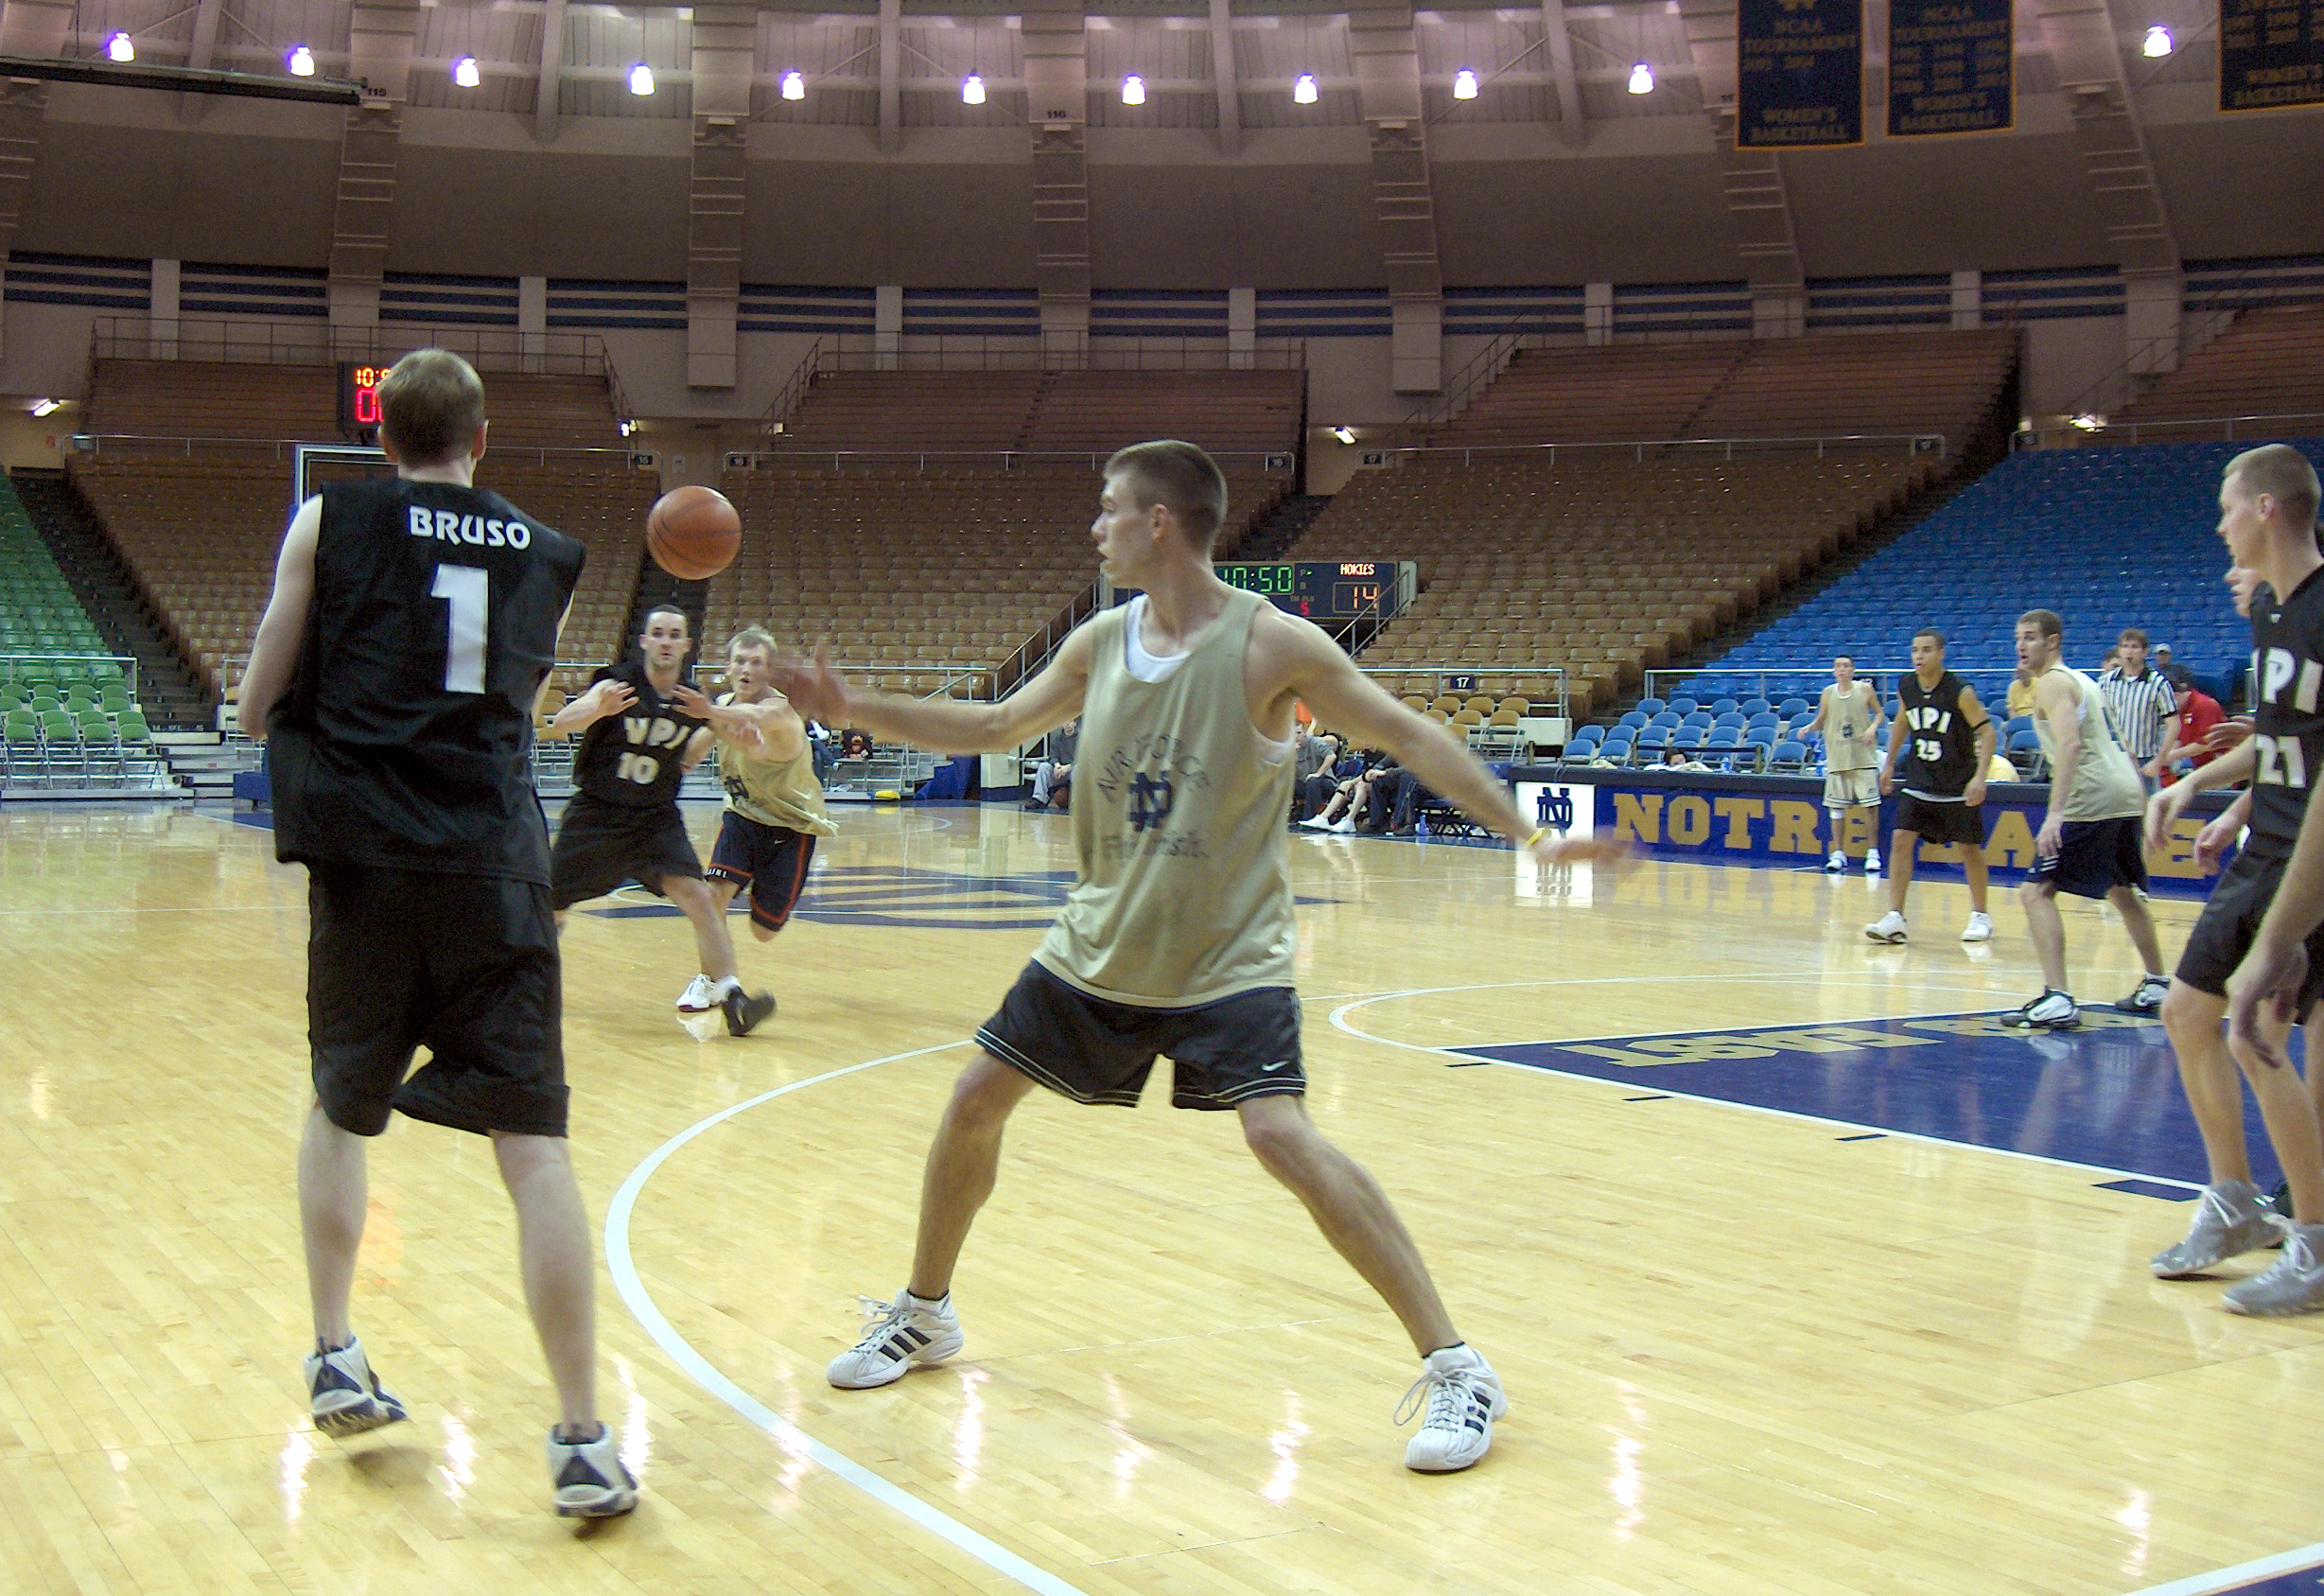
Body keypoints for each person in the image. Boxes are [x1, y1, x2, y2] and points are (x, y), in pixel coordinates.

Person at [776, 440, 1630, 1473]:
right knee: (974, 1100)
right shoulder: (1101, 640)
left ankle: (1459, 1366)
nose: (1095, 526)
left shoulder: (1274, 646)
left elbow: (1408, 735)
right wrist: (853, 706)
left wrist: (1531, 835)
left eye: (1108, 508)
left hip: (1227, 954)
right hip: (1102, 942)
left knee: (1280, 1135)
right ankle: (925, 1312)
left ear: (1159, 522)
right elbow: (996, 723)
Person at [236, 348, 636, 1517]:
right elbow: (505, 702)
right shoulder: (550, 554)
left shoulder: (329, 519)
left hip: (366, 862)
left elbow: (256, 704)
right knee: (535, 1147)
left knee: (341, 1105)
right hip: (493, 867)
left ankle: (333, 1349)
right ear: (482, 438)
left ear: (381, 438)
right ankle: (580, 1438)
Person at [2146, 445, 2324, 1314]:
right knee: (2192, 1014)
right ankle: (2235, 1204)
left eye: (2226, 508)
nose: (2217, 527)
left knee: (2255, 1029)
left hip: (2304, 857)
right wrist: (2200, 788)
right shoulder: (2271, 613)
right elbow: (2287, 745)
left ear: (2263, 509)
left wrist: (2283, 926)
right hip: (2270, 845)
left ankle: (2309, 1238)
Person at [545, 605, 776, 1035]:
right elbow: (561, 723)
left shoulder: (692, 699)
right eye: (659, 633)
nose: (666, 641)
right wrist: (598, 709)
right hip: (598, 813)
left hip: (654, 818)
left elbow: (748, 743)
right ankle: (530, 982)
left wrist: (731, 726)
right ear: (645, 641)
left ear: (686, 645)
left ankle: (732, 997)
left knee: (700, 898)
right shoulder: (616, 684)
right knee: (549, 906)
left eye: (674, 634)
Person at [2005, 609, 2170, 1029]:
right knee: (2122, 890)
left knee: (2036, 892)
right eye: (2018, 638)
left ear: (2053, 642)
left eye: (2030, 637)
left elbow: (2071, 746)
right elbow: (2124, 745)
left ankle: (2058, 996)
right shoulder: (2087, 681)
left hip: (2092, 795)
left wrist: (2055, 814)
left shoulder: (2053, 682)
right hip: (2124, 791)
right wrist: (2142, 801)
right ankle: (2157, 983)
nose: (2021, 646)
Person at [672, 625, 835, 956]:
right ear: (728, 667)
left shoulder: (780, 710)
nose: (746, 669)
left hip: (791, 825)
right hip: (742, 817)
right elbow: (690, 755)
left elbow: (757, 726)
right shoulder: (723, 705)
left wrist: (710, 712)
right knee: (713, 898)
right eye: (740, 661)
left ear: (770, 670)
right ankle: (713, 979)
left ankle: (763, 887)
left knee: (763, 932)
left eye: (756, 662)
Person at [1865, 628, 1997, 945]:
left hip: (1956, 782)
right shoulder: (1906, 685)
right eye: (1915, 650)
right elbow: (1902, 721)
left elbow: (1988, 732)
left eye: (1926, 650)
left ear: (1941, 654)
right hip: (1920, 778)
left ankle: (1981, 915)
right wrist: (1889, 763)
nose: (1918, 656)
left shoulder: (1960, 691)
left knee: (1968, 848)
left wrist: (1980, 777)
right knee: (1900, 838)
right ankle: (1896, 916)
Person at [1807, 655, 1882, 873]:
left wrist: (1872, 728)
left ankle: (1873, 853)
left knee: (1870, 807)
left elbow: (1879, 713)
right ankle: (1838, 853)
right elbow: (1821, 720)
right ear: (1834, 670)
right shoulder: (1828, 692)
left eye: (1846, 666)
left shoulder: (1865, 689)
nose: (1842, 669)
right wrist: (1809, 727)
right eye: (1838, 666)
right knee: (1836, 809)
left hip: (1863, 757)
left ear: (1853, 670)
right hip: (1838, 758)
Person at [2099, 627, 2178, 789]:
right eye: (2125, 646)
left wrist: (2159, 761)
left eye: (2134, 647)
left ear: (2145, 652)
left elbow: (2174, 724)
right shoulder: (2106, 682)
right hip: (2112, 758)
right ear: (2119, 650)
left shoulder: (2158, 683)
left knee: (2146, 803)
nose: (2129, 651)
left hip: (2144, 759)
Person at [1026, 717, 1077, 811]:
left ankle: (1076, 802)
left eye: (1070, 721)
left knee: (1078, 769)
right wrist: (1057, 765)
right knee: (1043, 767)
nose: (1067, 724)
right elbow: (1053, 756)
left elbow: (1082, 758)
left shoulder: (1081, 739)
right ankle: (1039, 798)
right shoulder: (1057, 739)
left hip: (1072, 769)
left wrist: (1067, 767)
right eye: (1065, 721)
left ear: (1075, 723)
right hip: (1059, 771)